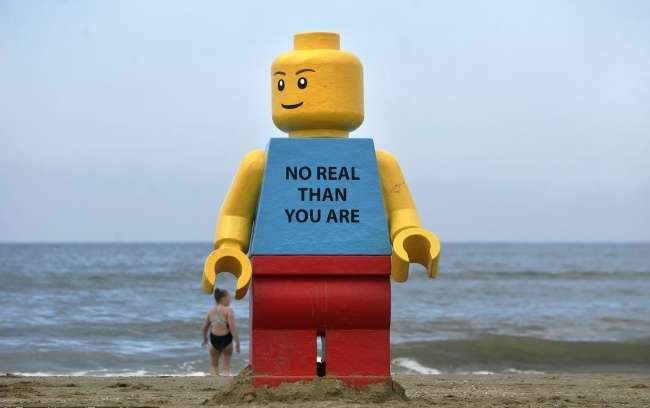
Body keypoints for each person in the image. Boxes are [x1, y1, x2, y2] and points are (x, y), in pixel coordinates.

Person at [201, 288, 240, 375]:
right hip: (226, 339)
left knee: (214, 365)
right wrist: (237, 343)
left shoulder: (210, 311)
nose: (230, 299)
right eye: (229, 297)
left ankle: (215, 379)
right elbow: (232, 328)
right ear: (223, 298)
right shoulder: (228, 310)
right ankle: (225, 377)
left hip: (214, 339)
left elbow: (204, 328)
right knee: (226, 367)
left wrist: (205, 339)